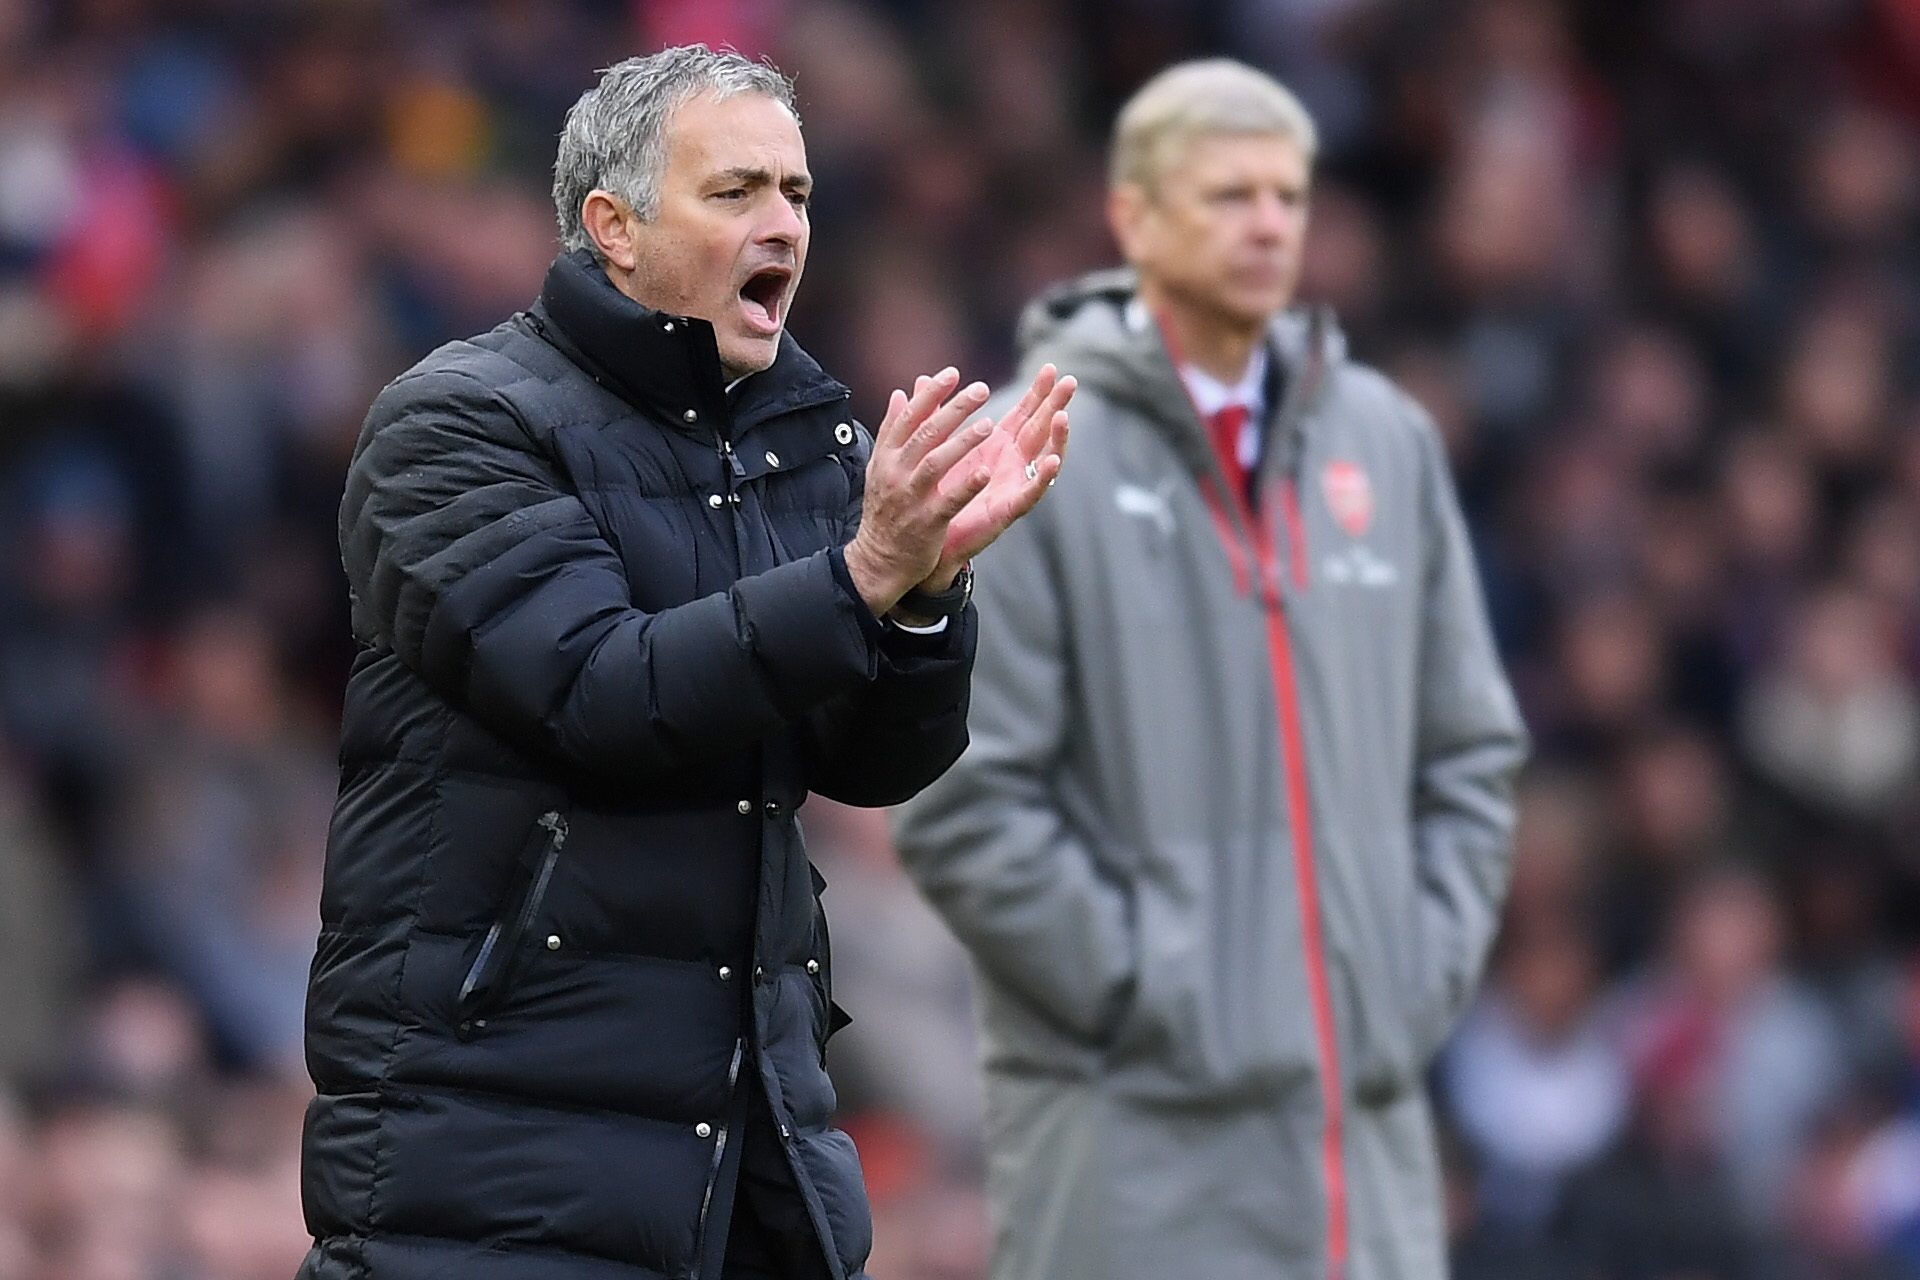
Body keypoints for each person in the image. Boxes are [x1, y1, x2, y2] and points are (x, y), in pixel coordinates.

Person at [298, 45, 1070, 1280]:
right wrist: (866, 574)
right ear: (613, 226)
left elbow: (871, 761)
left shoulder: (804, 435)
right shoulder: (456, 422)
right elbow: (606, 693)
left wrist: (926, 593)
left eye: (798, 194)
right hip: (498, 1144)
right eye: (737, 193)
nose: (783, 225)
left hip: (746, 1140)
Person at [892, 59, 1528, 1280]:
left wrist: (1406, 975)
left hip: (1360, 1156)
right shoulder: (1032, 449)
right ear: (1132, 215)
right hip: (1132, 1149)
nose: (1268, 224)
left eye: (1287, 195)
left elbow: (1472, 757)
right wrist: (1155, 991)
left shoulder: (1385, 443)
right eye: (1228, 194)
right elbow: (957, 789)